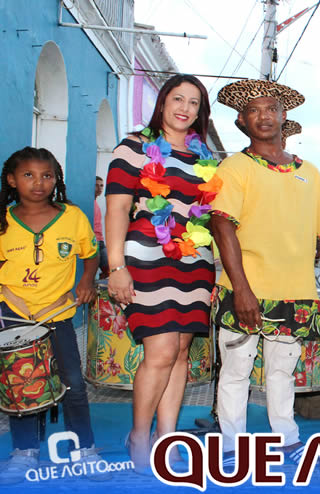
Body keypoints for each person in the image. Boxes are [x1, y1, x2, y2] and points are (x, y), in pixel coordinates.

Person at [209, 78, 320, 465]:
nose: (264, 117)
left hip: (295, 291)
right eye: (253, 111)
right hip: (244, 291)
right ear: (241, 121)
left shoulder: (308, 172)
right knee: (236, 371)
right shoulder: (234, 167)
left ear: (283, 115)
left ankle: (287, 439)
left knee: (282, 373)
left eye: (271, 109)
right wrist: (242, 290)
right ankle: (231, 445)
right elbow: (222, 226)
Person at [106, 74, 218, 472]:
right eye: (177, 99)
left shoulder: (206, 158)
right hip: (146, 257)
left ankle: (166, 437)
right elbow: (117, 208)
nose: (185, 108)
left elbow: (210, 216)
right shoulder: (134, 146)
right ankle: (139, 434)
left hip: (195, 261)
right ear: (163, 103)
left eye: (194, 102)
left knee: (181, 351)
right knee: (162, 350)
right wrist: (116, 266)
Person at [0, 147, 107, 484]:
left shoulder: (72, 216)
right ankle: (24, 452)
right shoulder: (3, 220)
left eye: (47, 176)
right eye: (28, 175)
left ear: (56, 179)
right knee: (22, 384)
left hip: (57, 312)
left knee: (73, 383)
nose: (39, 183)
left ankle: (83, 450)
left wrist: (86, 282)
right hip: (13, 313)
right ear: (11, 180)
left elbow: (90, 254)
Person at [94, 176, 109, 278]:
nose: (99, 188)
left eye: (101, 186)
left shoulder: (96, 203)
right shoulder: (90, 203)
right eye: (96, 185)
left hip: (100, 240)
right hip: (94, 241)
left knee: (108, 269)